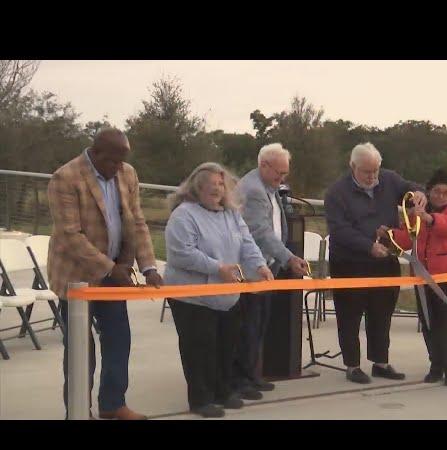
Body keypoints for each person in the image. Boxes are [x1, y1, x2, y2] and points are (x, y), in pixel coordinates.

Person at [47, 128, 163, 420]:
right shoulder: (66, 178)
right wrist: (110, 268)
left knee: (118, 340)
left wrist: (148, 266)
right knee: (79, 349)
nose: (117, 168)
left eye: (122, 161)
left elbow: (137, 222)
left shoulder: (127, 173)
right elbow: (69, 235)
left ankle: (113, 405)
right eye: (112, 161)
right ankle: (76, 411)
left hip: (115, 272)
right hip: (77, 277)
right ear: (95, 153)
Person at [164, 162, 273, 418]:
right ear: (197, 188)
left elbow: (247, 243)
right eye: (211, 185)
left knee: (226, 345)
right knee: (199, 349)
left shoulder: (232, 214)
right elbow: (182, 253)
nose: (217, 189)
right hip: (192, 298)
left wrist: (259, 266)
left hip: (226, 295)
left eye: (221, 184)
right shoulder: (184, 215)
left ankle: (223, 391)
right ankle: (201, 399)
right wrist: (217, 268)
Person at [324, 142, 427, 384]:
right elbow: (340, 230)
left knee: (382, 313)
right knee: (349, 315)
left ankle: (380, 362)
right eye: (366, 171)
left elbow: (410, 189)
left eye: (375, 171)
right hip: (349, 262)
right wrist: (368, 246)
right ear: (353, 167)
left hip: (385, 261)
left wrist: (418, 192)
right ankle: (352, 365)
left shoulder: (389, 180)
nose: (372, 177)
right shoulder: (336, 193)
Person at [232, 143, 308, 398]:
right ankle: (241, 380)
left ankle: (253, 374)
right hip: (252, 269)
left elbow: (276, 227)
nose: (283, 178)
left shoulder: (269, 187)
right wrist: (288, 258)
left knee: (259, 325)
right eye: (279, 172)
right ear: (263, 165)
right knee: (248, 327)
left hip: (266, 267)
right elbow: (261, 233)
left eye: (285, 173)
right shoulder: (253, 190)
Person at [382, 169, 447, 387]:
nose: (441, 197)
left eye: (445, 193)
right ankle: (435, 365)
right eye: (437, 192)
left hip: (446, 279)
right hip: (421, 278)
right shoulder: (415, 213)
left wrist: (427, 218)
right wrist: (388, 234)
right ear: (428, 192)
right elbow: (406, 239)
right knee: (428, 323)